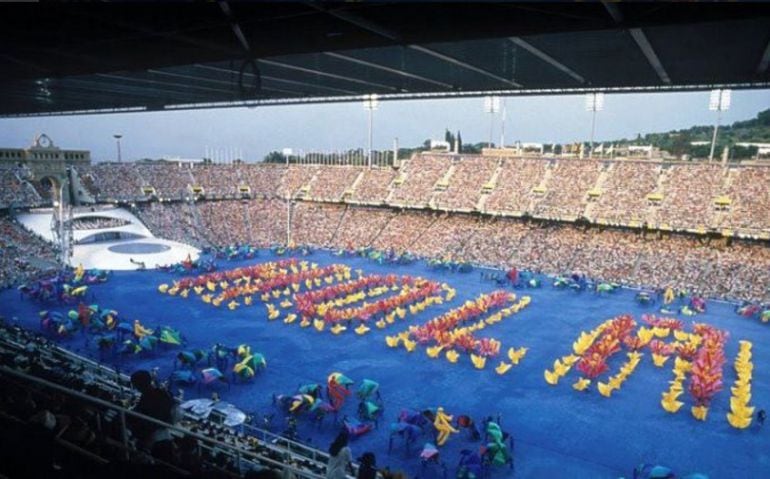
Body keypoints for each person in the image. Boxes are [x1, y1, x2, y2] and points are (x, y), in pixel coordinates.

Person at [130, 369, 177, 461]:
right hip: (162, 435)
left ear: (138, 385)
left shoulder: (147, 398)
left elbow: (149, 422)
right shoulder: (163, 394)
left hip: (153, 439)